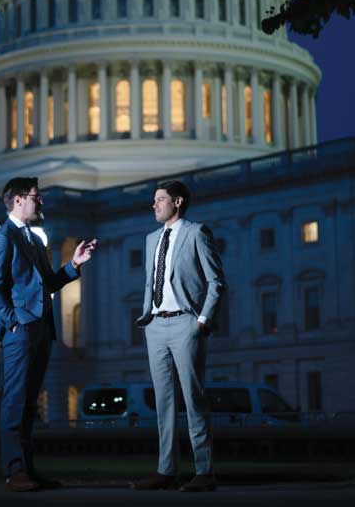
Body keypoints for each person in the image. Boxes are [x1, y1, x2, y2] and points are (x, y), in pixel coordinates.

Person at [0, 177, 97, 492]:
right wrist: (13, 321)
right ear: (18, 200)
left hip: (43, 329)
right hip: (19, 332)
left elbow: (48, 283)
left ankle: (28, 470)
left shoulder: (34, 240)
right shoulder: (2, 238)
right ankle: (14, 470)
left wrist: (74, 263)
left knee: (30, 403)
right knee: (15, 401)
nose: (40, 201)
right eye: (36, 196)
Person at [131, 180, 225, 492]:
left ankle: (204, 471)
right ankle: (166, 470)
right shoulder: (151, 239)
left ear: (178, 202)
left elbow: (216, 281)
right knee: (164, 402)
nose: (154, 205)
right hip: (156, 325)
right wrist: (147, 316)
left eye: (160, 199)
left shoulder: (197, 232)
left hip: (186, 324)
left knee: (194, 398)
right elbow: (150, 282)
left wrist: (201, 320)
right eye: (154, 200)